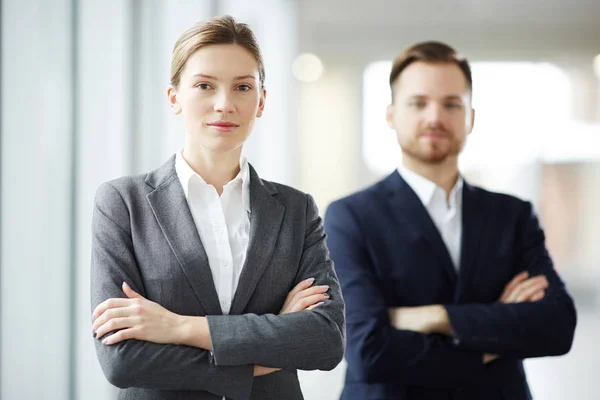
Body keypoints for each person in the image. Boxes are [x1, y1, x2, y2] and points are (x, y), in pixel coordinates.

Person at [90, 15, 345, 400]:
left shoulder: (296, 210)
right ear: (174, 97)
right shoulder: (123, 203)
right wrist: (274, 338)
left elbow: (325, 340)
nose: (224, 104)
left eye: (242, 87)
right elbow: (122, 361)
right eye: (204, 85)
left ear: (261, 101)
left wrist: (177, 327)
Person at [324, 41, 576, 400]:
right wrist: (494, 336)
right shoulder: (349, 217)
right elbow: (367, 349)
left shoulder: (512, 216)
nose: (435, 117)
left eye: (451, 104)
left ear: (471, 117)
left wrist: (433, 316)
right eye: (418, 103)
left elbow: (557, 326)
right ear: (392, 115)